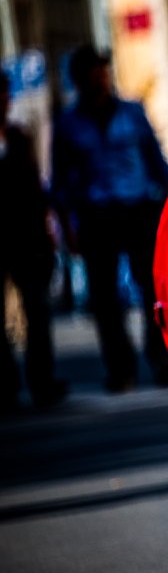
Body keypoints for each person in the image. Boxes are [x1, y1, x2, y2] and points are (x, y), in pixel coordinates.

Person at [51, 46, 168, 391]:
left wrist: (167, 204)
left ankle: (162, 358)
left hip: (137, 208)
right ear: (80, 79)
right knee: (105, 299)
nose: (101, 77)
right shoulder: (67, 124)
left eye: (103, 70)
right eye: (93, 72)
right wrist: (67, 230)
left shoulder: (133, 113)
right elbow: (60, 182)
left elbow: (157, 162)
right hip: (96, 215)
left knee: (153, 288)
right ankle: (120, 369)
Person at [0, 70, 67, 410]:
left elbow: (34, 191)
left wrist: (46, 232)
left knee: (37, 311)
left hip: (25, 240)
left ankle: (43, 381)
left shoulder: (18, 137)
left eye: (5, 95)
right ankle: (6, 386)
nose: (4, 102)